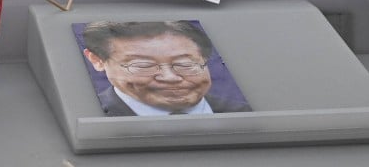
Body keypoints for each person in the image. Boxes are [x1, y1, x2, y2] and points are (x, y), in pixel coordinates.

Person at [81, 20, 251, 116]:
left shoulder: (243, 114)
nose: (170, 77)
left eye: (184, 64)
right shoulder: (89, 116)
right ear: (97, 60)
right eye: (143, 65)